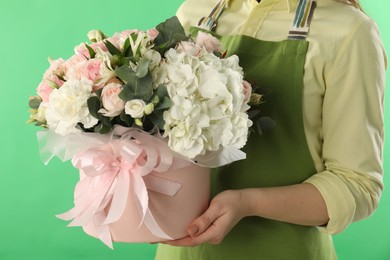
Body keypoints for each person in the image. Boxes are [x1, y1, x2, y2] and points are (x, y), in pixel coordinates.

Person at [155, 0, 387, 259]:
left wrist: (248, 203)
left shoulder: (349, 31)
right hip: (184, 252)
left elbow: (357, 183)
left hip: (285, 250)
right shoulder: (194, 12)